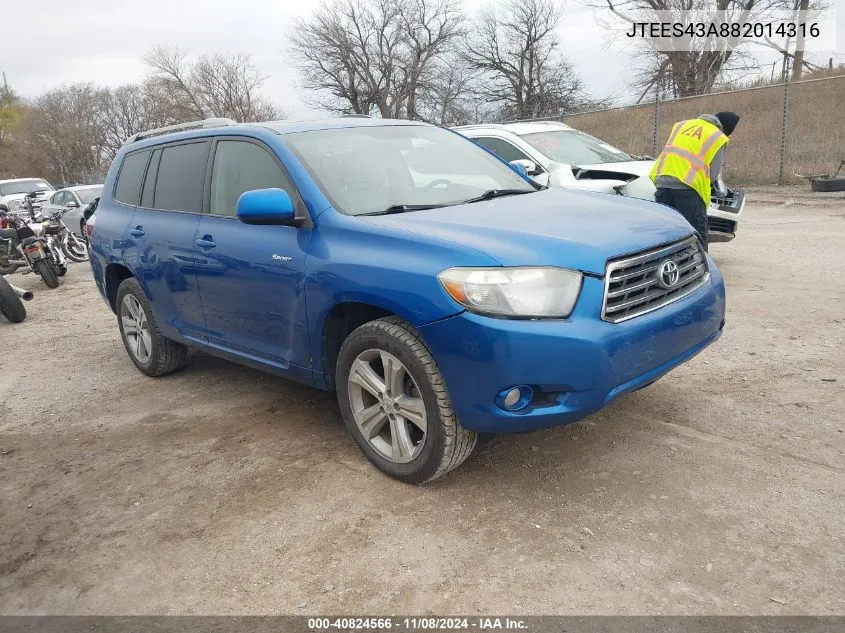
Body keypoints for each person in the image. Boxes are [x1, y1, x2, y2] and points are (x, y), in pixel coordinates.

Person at [650, 112, 740, 251]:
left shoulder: (681, 125)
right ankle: (700, 270)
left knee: (666, 233)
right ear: (724, 128)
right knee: (697, 234)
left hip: (662, 181)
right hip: (689, 187)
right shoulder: (717, 136)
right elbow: (713, 174)